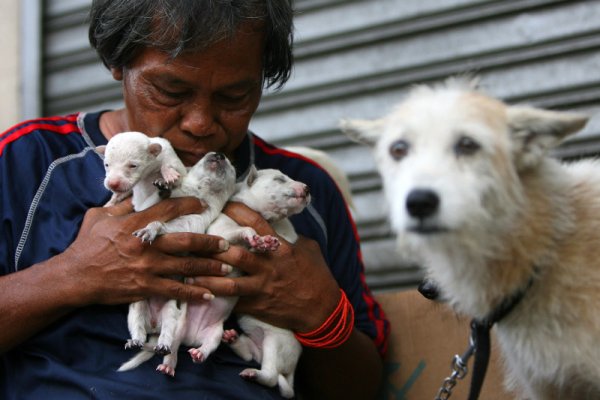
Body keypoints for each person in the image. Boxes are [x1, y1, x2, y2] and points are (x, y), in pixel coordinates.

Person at [0, 0, 390, 398]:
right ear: (118, 61)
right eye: (171, 91)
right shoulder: (28, 163)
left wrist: (319, 311)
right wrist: (73, 274)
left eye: (234, 96)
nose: (200, 123)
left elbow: (364, 388)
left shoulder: (304, 192)